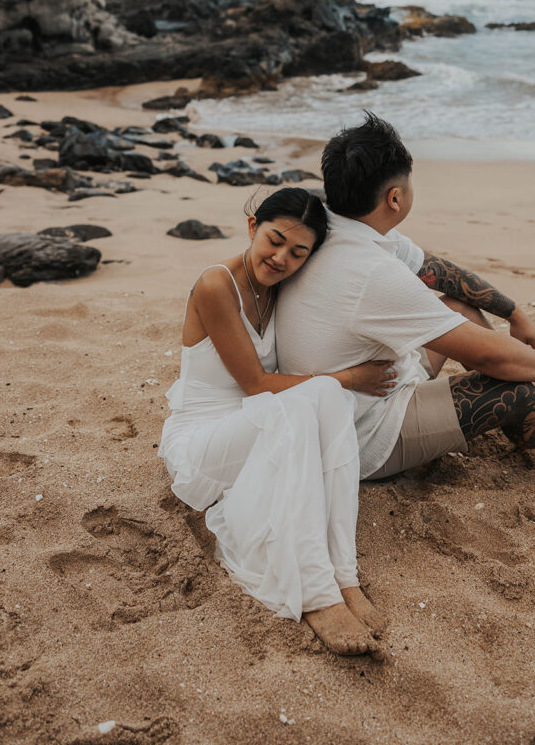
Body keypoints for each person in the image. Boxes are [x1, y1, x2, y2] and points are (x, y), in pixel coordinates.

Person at [276, 114, 535, 490]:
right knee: (507, 389)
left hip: (367, 388)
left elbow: (438, 271)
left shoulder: (331, 229)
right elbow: (487, 357)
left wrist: (514, 313)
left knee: (460, 307)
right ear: (395, 197)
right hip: (361, 437)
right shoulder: (371, 273)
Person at [158, 188, 393, 657]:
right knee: (314, 394)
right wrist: (350, 376)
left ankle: (342, 573)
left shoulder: (279, 287)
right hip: (203, 445)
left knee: (324, 394)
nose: (281, 257)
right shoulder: (215, 286)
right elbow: (256, 383)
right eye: (274, 240)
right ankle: (316, 593)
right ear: (252, 227)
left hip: (253, 425)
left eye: (297, 252)